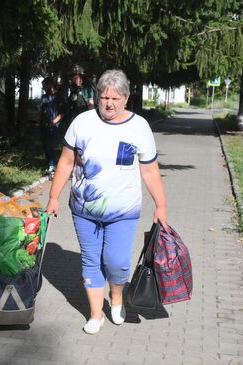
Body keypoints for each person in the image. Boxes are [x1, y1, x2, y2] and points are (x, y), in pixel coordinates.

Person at [45, 69, 167, 335]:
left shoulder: (139, 127)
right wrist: (53, 197)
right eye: (104, 97)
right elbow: (66, 161)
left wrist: (161, 205)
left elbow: (149, 170)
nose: (109, 103)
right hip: (83, 208)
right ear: (97, 97)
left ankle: (118, 297)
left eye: (115, 98)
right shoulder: (82, 122)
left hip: (123, 210)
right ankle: (96, 314)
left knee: (117, 261)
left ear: (126, 98)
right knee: (90, 260)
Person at [39, 77, 65, 178]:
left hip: (54, 126)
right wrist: (38, 119)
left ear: (51, 84)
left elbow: (63, 111)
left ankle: (52, 166)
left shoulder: (59, 96)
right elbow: (41, 110)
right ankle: (49, 165)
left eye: (45, 85)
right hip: (43, 124)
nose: (43, 87)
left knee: (51, 144)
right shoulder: (44, 97)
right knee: (45, 145)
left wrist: (55, 121)